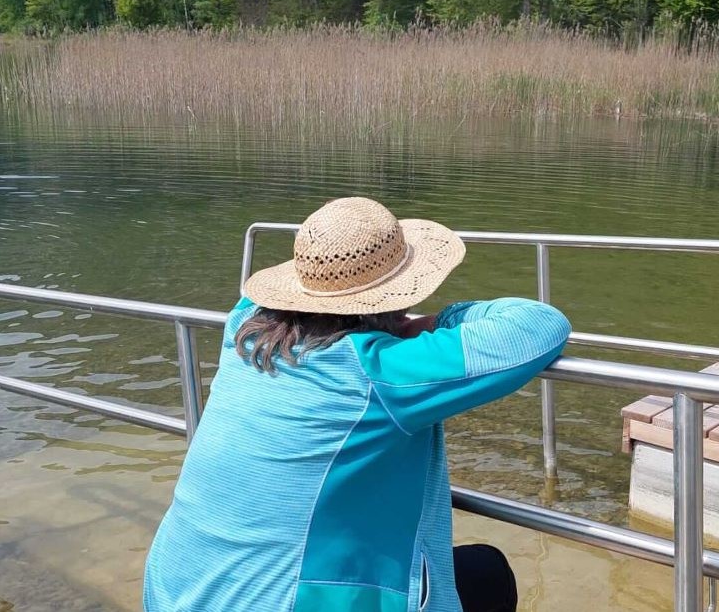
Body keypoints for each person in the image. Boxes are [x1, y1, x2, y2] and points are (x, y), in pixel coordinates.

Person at [143, 197, 571, 612]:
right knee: (491, 575)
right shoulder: (376, 371)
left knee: (479, 572)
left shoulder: (244, 333)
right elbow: (537, 326)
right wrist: (438, 323)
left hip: (175, 588)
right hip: (282, 602)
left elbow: (256, 301)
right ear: (396, 299)